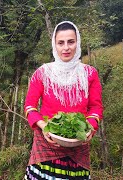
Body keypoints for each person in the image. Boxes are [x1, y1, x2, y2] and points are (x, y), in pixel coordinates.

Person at [24, 21, 103, 180]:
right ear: (55, 45)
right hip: (46, 147)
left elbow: (95, 107)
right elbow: (30, 107)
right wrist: (44, 126)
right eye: (61, 43)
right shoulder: (43, 73)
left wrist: (90, 128)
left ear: (77, 43)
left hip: (78, 147)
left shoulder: (89, 74)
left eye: (71, 42)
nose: (66, 47)